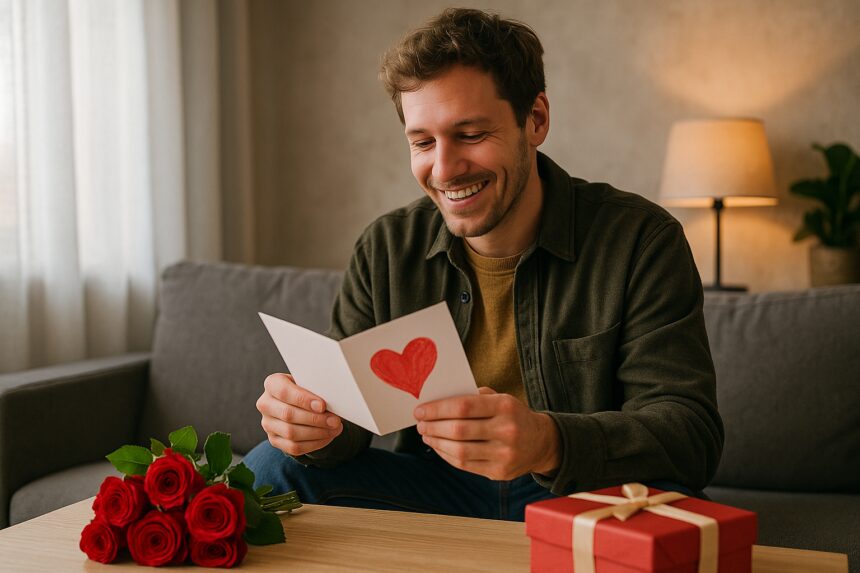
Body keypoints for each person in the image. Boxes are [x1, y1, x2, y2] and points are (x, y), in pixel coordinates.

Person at [244, 8, 723, 521]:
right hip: (434, 492)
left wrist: (548, 442)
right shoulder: (385, 248)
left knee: (673, 508)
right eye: (423, 142)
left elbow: (689, 433)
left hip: (578, 495)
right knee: (274, 466)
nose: (445, 169)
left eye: (470, 134)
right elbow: (351, 429)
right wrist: (313, 428)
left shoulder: (641, 241)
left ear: (535, 120)